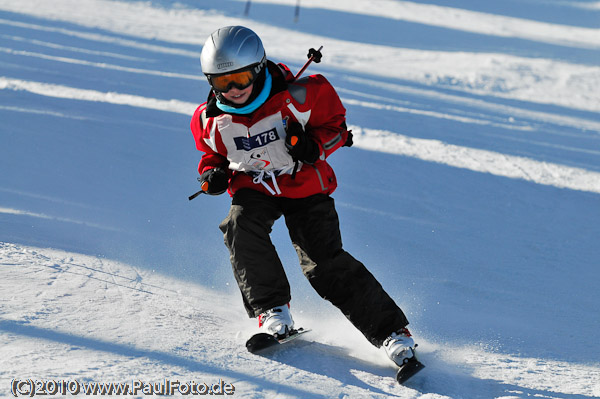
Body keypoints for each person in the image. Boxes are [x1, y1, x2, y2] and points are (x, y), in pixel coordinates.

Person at [190, 25, 417, 367]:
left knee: (322, 262)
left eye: (239, 79)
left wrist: (312, 147)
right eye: (222, 83)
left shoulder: (300, 95)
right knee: (239, 225)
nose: (233, 90)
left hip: (305, 185)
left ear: (258, 68)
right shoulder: (209, 119)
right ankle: (272, 311)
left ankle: (391, 332)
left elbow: (336, 128)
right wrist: (212, 174)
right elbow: (211, 155)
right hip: (255, 186)